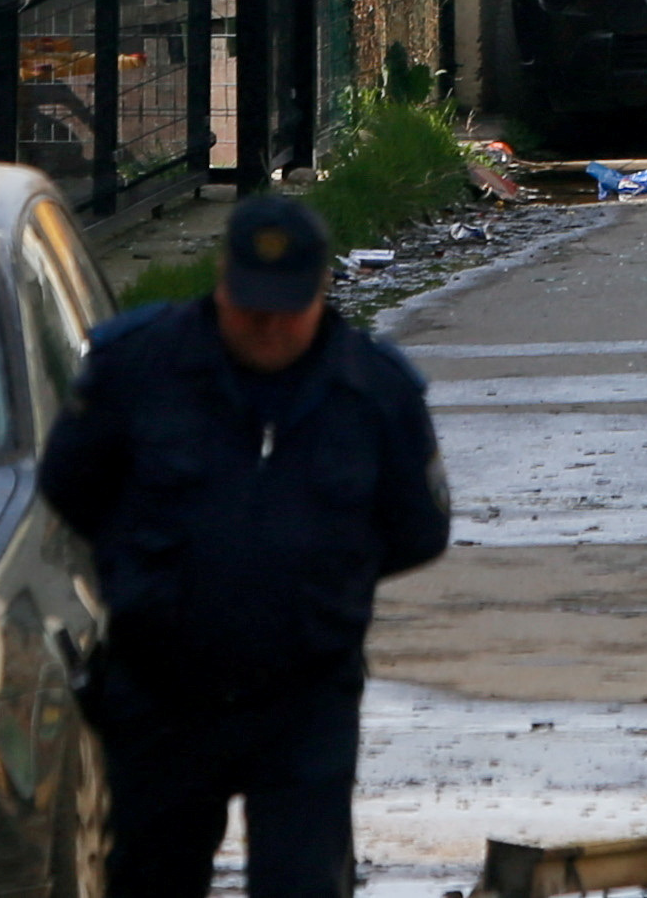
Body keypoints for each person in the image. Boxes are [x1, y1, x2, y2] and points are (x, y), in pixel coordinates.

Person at [40, 193, 453, 898]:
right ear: (222, 281)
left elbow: (417, 526)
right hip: (161, 691)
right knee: (149, 877)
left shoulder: (374, 391)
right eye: (249, 303)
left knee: (302, 883)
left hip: (304, 695)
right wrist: (145, 572)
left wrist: (323, 584)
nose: (265, 323)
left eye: (285, 307)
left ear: (320, 291)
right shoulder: (138, 368)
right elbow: (72, 484)